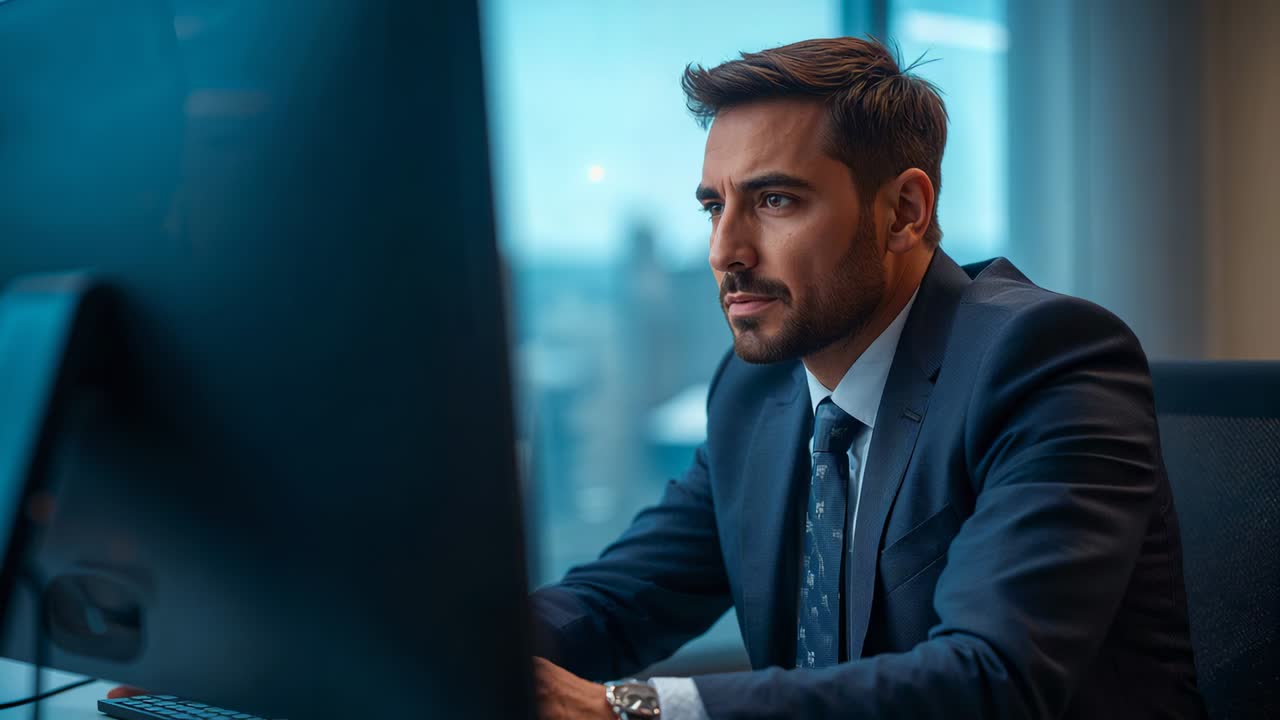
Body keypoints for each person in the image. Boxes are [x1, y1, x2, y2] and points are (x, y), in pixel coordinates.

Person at [528, 37, 1206, 719]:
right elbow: (619, 600)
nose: (724, 250)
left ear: (904, 212)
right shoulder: (754, 393)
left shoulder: (1045, 360)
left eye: (775, 201)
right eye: (714, 206)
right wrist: (475, 652)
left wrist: (623, 710)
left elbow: (986, 679)